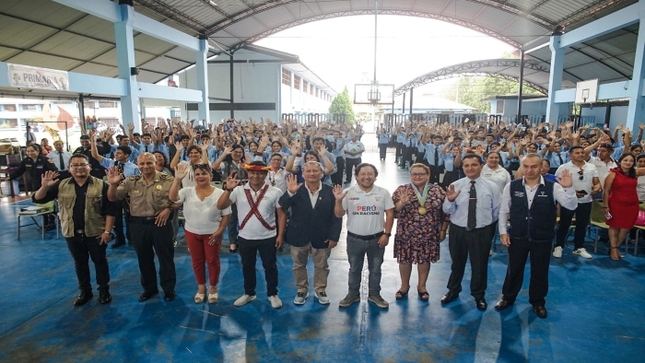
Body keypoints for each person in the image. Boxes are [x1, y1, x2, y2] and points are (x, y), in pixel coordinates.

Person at [495, 153, 577, 319]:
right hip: (518, 235)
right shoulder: (512, 186)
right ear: (521, 167)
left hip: (543, 237)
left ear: (541, 167)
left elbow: (570, 205)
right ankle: (508, 297)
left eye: (534, 166)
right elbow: (504, 210)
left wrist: (568, 188)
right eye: (526, 166)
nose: (529, 170)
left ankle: (538, 301)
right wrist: (503, 232)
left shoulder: (553, 186)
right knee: (513, 269)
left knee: (540, 270)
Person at [32, 155, 117, 306]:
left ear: (89, 166)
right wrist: (44, 186)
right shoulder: (61, 185)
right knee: (80, 263)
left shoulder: (100, 185)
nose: (79, 168)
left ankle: (104, 290)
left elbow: (110, 210)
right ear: (69, 168)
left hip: (95, 233)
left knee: (100, 262)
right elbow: (38, 199)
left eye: (83, 164)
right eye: (75, 165)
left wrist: (107, 232)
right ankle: (85, 291)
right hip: (71, 233)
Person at [107, 153, 177, 302]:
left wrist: (169, 209)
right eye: (142, 163)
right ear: (137, 164)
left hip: (160, 224)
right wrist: (113, 184)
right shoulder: (131, 181)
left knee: (166, 258)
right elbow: (113, 197)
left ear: (155, 162)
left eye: (149, 163)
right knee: (143, 259)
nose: (145, 166)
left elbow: (178, 199)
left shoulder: (168, 180)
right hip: (138, 225)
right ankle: (149, 289)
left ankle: (169, 289)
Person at [217, 161, 286, 309]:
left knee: (270, 266)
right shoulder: (238, 191)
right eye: (252, 172)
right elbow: (221, 206)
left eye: (260, 173)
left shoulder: (275, 192)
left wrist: (280, 235)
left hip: (268, 237)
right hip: (245, 237)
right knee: (247, 266)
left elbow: (281, 214)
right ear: (248, 173)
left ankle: (272, 294)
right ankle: (249, 293)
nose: (256, 176)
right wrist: (228, 189)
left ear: (265, 174)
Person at [441, 154, 501, 311]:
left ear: (481, 166)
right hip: (458, 231)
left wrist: (484, 225)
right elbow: (447, 210)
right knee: (457, 263)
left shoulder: (492, 187)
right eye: (466, 165)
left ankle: (478, 295)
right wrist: (450, 200)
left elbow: (496, 211)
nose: (470, 168)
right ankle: (453, 290)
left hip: (481, 232)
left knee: (479, 265)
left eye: (474, 165)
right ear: (463, 168)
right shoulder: (456, 185)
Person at [279, 162, 342, 305]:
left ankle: (320, 289)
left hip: (322, 236)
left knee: (321, 265)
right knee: (298, 265)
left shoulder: (330, 191)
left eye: (315, 171)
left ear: (322, 174)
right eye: (308, 171)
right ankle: (301, 290)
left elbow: (336, 216)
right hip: (298, 235)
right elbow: (282, 203)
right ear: (303, 174)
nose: (312, 173)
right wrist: (290, 192)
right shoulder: (296, 189)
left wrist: (334, 236)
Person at [333, 163, 394, 309]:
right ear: (357, 176)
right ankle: (353, 294)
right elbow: (339, 214)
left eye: (370, 174)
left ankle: (374, 295)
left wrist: (387, 234)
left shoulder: (383, 192)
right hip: (355, 239)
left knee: (376, 269)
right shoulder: (349, 193)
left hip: (377, 239)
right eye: (363, 174)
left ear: (375, 176)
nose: (366, 177)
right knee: (354, 268)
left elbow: (390, 213)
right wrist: (338, 200)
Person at [170, 163, 231, 303]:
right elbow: (173, 198)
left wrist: (220, 231)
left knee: (212, 261)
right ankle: (201, 287)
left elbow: (226, 215)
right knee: (197, 261)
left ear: (211, 175)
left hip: (212, 233)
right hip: (192, 232)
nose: (200, 176)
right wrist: (177, 179)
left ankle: (213, 287)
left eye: (204, 173)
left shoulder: (221, 193)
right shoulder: (187, 191)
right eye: (197, 174)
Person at [392, 163, 449, 301]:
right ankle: (404, 286)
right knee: (405, 259)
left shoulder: (437, 190)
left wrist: (443, 230)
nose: (417, 177)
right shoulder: (402, 190)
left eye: (421, 174)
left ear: (428, 175)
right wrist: (402, 202)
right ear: (410, 175)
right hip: (406, 232)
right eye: (414, 174)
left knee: (425, 259)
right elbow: (393, 212)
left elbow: (446, 212)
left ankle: (422, 286)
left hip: (429, 233)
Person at [553, 146, 601, 259]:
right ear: (570, 155)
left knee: (582, 224)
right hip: (568, 200)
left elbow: (597, 182)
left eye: (582, 152)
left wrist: (597, 188)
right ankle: (559, 246)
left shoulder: (591, 167)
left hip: (586, 200)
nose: (580, 154)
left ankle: (579, 247)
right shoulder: (563, 167)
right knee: (564, 224)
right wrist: (572, 192)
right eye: (577, 153)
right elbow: (557, 185)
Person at [603, 154, 645, 260]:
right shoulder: (613, 174)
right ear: (620, 161)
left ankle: (615, 246)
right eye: (625, 160)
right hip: (616, 204)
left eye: (631, 161)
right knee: (615, 226)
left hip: (632, 205)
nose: (628, 162)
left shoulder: (635, 173)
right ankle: (614, 248)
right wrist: (605, 205)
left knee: (626, 228)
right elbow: (606, 191)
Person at [212, 144, 248, 253]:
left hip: (244, 194)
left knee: (245, 217)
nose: (237, 154)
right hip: (230, 193)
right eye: (235, 152)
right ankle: (232, 241)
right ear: (231, 153)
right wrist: (224, 153)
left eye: (240, 152)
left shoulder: (245, 164)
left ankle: (243, 239)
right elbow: (214, 166)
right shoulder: (226, 164)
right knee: (232, 219)